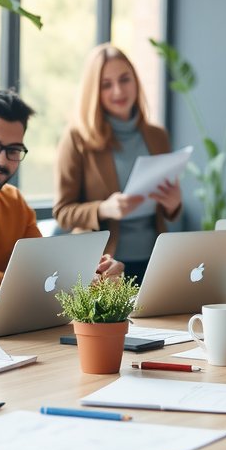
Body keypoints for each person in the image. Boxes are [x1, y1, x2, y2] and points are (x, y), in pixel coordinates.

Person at [0, 88, 122, 286]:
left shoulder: (14, 200)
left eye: (13, 150)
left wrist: (92, 271)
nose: (1, 161)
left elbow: (45, 266)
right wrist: (52, 280)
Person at [54, 44, 182, 282]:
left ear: (135, 81)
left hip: (156, 261)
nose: (118, 91)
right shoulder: (76, 138)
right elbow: (63, 212)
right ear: (94, 91)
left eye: (125, 79)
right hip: (105, 265)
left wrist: (173, 204)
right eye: (106, 85)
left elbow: (166, 208)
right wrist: (104, 208)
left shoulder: (157, 135)